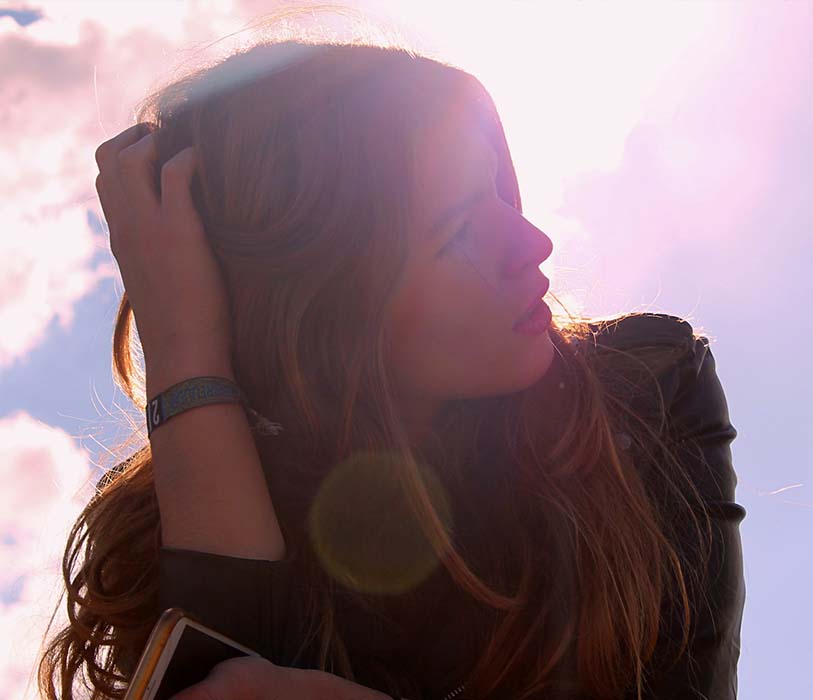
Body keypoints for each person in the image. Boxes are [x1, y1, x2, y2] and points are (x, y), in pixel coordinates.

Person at [36, 33, 745, 700]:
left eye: (499, 192)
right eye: (457, 232)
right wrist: (185, 348)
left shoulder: (645, 388)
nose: (532, 242)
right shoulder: (156, 520)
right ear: (319, 313)